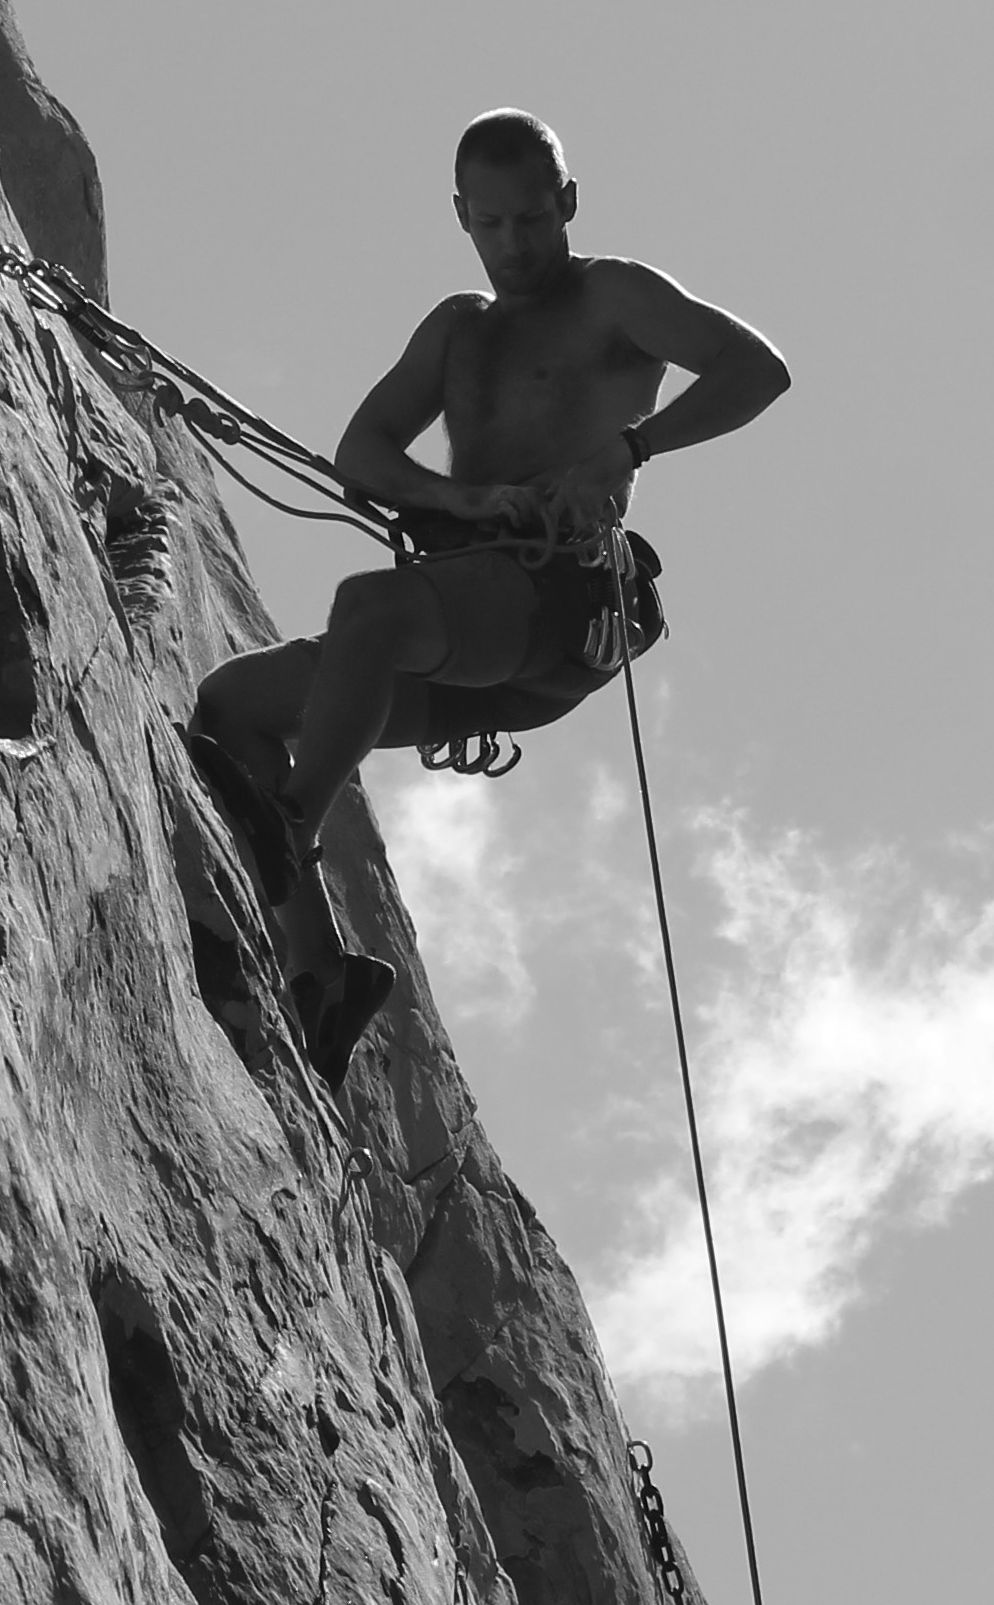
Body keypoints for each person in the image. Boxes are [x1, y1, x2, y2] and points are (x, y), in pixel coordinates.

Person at [188, 111, 791, 1076]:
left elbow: (759, 369)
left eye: (534, 220)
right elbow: (364, 449)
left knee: (368, 612)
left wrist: (628, 447)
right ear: (463, 217)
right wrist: (456, 496)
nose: (516, 243)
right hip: (468, 619)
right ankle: (323, 973)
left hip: (558, 599)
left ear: (569, 205)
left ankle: (288, 824)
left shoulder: (613, 296)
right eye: (495, 224)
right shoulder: (458, 329)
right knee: (233, 707)